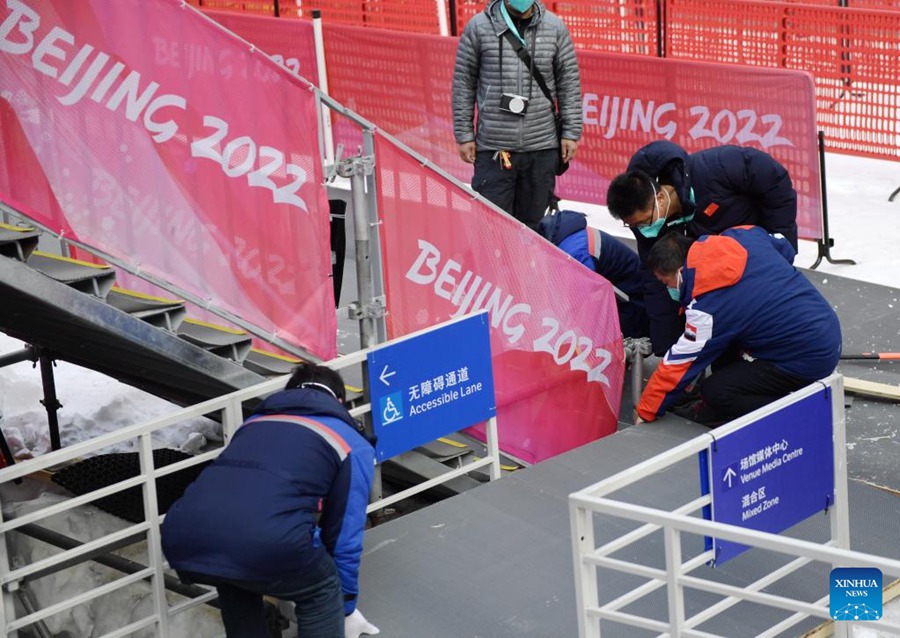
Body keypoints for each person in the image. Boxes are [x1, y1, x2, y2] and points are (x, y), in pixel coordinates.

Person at [161, 363, 380, 638]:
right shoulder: (350, 441)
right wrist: (344, 606)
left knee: (235, 575)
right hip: (261, 540)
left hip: (184, 535)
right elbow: (345, 534)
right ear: (339, 401)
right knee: (323, 591)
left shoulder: (253, 424)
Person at [606, 140, 799, 356]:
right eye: (634, 226)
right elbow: (657, 281)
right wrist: (668, 349)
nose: (643, 230)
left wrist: (780, 239)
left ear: (660, 198)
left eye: (644, 222)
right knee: (724, 354)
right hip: (721, 273)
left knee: (773, 316)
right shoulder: (647, 224)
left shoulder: (717, 167)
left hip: (758, 250)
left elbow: (774, 179)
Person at [634, 227, 841, 426]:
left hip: (807, 359)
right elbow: (783, 246)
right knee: (727, 349)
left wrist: (646, 409)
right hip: (826, 328)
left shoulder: (708, 307)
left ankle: (802, 412)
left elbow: (681, 362)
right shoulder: (742, 235)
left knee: (717, 391)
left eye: (666, 282)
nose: (667, 289)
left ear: (680, 272)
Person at [452, 0, 582, 229]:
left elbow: (568, 82)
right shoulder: (479, 27)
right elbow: (463, 82)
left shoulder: (555, 28)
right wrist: (464, 134)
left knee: (532, 228)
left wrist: (571, 132)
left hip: (541, 147)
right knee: (491, 227)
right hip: (495, 148)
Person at [537, 209, 649, 338]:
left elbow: (582, 299)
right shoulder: (567, 235)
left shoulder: (576, 252)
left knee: (623, 339)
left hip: (631, 293)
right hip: (623, 283)